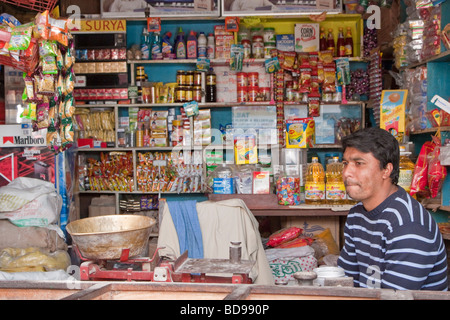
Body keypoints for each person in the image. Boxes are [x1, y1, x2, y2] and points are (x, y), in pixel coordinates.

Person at [337, 127, 448, 291]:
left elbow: (394, 296)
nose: (346, 172)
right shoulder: (357, 215)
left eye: (359, 163)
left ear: (386, 170)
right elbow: (346, 282)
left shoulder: (408, 225)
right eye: (346, 163)